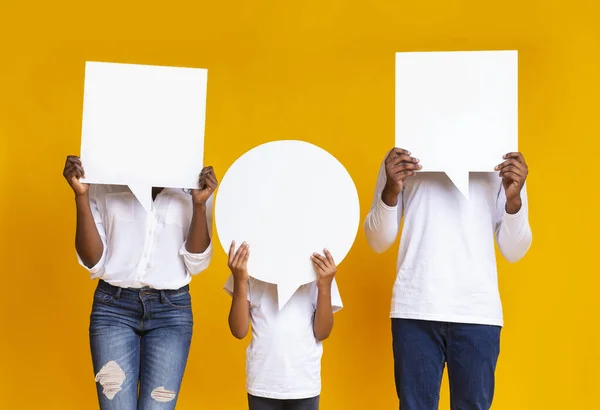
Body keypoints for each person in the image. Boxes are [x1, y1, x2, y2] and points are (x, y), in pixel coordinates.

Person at [364, 148, 532, 410]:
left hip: (477, 311)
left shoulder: (501, 151)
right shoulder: (404, 149)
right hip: (416, 307)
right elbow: (377, 241)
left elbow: (514, 250)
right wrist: (390, 190)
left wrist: (515, 201)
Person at [62, 155, 218, 410]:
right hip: (113, 309)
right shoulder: (104, 179)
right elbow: (94, 262)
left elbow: (196, 263)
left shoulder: (193, 183)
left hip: (171, 312)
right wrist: (81, 196)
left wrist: (199, 205)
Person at [224, 241, 343, 410]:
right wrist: (240, 280)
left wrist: (325, 285)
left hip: (304, 384)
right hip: (262, 382)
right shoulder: (249, 267)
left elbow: (322, 332)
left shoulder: (318, 270)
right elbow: (238, 330)